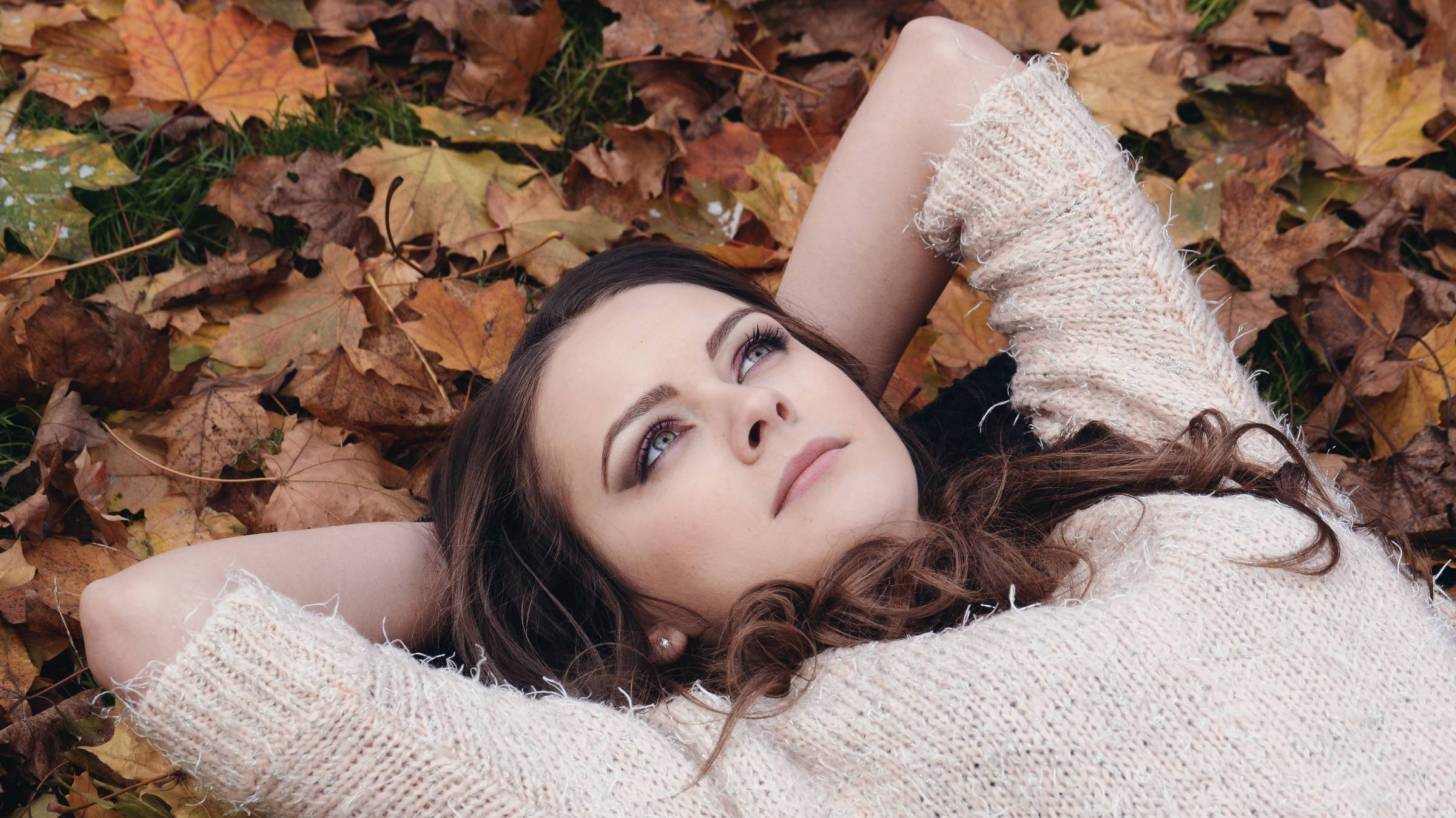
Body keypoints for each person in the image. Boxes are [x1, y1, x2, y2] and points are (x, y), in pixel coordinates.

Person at [78, 17, 1456, 818]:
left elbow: (941, 79)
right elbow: (153, 623)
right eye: (654, 444)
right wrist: (502, 555)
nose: (754, 406)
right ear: (634, 612)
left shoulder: (1155, 460)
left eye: (751, 353)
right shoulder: (715, 777)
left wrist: (799, 394)